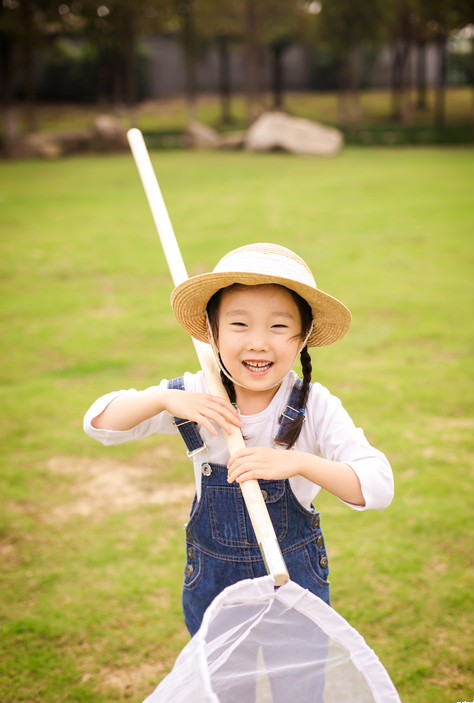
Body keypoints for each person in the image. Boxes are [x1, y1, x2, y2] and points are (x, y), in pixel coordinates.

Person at [84, 242, 394, 635]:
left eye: (279, 326)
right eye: (239, 324)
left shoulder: (313, 405)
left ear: (302, 339)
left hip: (293, 582)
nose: (258, 342)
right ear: (212, 334)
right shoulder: (195, 394)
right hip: (216, 589)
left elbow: (379, 487)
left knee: (297, 690)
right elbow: (98, 423)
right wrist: (161, 398)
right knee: (227, 692)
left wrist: (300, 464)